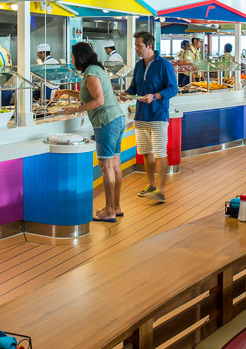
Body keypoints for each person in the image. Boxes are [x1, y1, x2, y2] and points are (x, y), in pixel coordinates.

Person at [53, 42, 126, 222]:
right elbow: (89, 95)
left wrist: (75, 110)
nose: (71, 60)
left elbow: (99, 101)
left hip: (106, 121)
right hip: (117, 118)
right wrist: (66, 92)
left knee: (106, 166)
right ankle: (115, 207)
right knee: (115, 165)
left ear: (80, 57)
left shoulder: (91, 73)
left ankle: (109, 210)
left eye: (72, 56)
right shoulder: (95, 69)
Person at [124, 31, 178, 203]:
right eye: (136, 46)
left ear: (149, 45)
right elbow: (134, 87)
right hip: (140, 115)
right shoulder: (139, 66)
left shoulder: (164, 65)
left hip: (158, 115)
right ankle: (151, 185)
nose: (137, 49)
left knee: (160, 152)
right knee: (146, 152)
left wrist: (154, 96)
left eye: (139, 46)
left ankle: (161, 190)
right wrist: (126, 93)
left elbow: (173, 89)